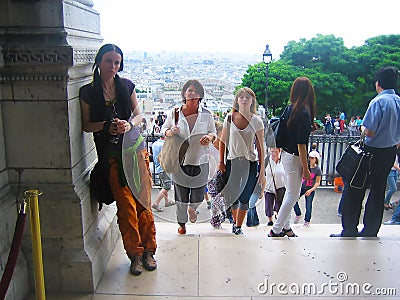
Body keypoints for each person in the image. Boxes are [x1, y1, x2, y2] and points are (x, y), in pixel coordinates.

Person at [79, 44, 157, 276]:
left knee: (144, 204)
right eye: (108, 61)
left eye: (117, 62)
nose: (113, 66)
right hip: (112, 157)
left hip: (134, 152)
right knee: (126, 207)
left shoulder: (126, 86)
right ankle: (134, 254)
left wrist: (128, 124)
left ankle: (149, 251)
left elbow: (139, 115)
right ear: (99, 62)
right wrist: (106, 126)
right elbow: (86, 125)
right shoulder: (88, 93)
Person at [331, 66, 400, 237]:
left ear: (378, 84)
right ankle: (371, 229)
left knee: (354, 188)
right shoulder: (398, 100)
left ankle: (350, 229)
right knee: (378, 190)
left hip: (370, 152)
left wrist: (362, 128)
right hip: (389, 151)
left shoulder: (378, 102)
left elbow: (369, 131)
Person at [161, 79, 216, 235]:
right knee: (180, 195)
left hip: (201, 159)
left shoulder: (206, 114)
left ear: (201, 96)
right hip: (180, 160)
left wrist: (209, 137)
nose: (193, 94)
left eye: (196, 91)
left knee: (199, 193)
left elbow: (213, 132)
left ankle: (193, 208)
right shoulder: (175, 113)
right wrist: (170, 131)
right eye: (190, 90)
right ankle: (182, 223)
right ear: (184, 94)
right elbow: (163, 129)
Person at [268, 77, 316, 238]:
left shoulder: (291, 108)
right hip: (294, 157)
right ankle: (276, 228)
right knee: (293, 195)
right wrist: (306, 168)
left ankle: (286, 227)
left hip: (286, 155)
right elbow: (301, 144)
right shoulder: (303, 112)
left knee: (290, 193)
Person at [219, 87, 266, 235]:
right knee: (233, 195)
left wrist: (262, 171)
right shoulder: (229, 118)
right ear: (237, 100)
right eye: (241, 97)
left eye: (247, 97)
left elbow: (260, 147)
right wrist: (221, 162)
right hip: (232, 161)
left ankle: (238, 226)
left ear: (252, 101)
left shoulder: (257, 122)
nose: (244, 100)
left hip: (249, 162)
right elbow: (223, 141)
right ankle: (235, 222)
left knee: (245, 196)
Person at [293, 150, 322, 227]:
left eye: (312, 158)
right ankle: (298, 213)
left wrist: (311, 190)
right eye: (310, 158)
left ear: (316, 159)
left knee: (308, 205)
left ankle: (307, 221)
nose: (310, 159)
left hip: (310, 188)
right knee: (293, 200)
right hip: (302, 187)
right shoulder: (305, 166)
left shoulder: (317, 170)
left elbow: (317, 182)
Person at [151, 134, 175, 212]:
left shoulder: (155, 144)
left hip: (158, 168)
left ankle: (167, 202)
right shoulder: (164, 145)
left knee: (164, 185)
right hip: (164, 168)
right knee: (167, 187)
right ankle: (156, 203)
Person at [264, 148, 286, 226]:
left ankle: (278, 217)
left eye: (275, 152)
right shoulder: (267, 161)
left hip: (281, 186)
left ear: (279, 152)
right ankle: (270, 220)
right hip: (269, 186)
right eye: (272, 152)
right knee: (268, 204)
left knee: (279, 204)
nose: (273, 154)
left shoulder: (283, 161)